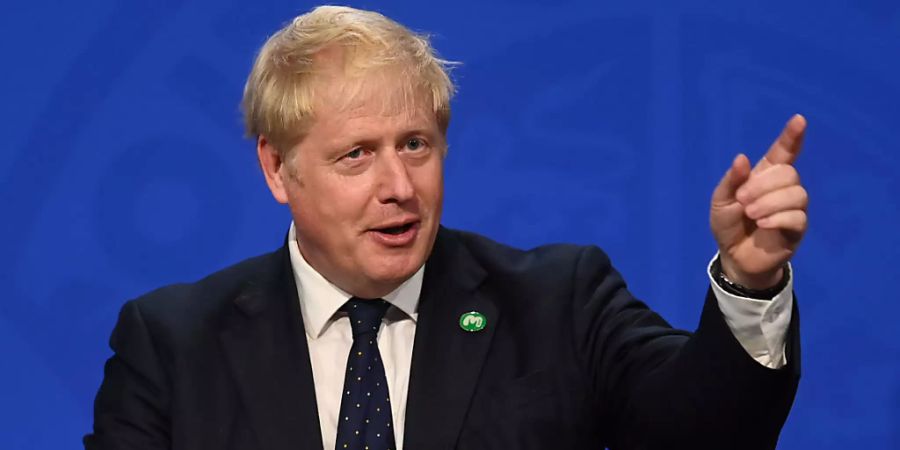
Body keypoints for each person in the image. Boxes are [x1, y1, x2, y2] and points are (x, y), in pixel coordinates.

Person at [85, 5, 808, 450]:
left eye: (416, 145)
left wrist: (749, 283)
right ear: (277, 170)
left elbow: (705, 437)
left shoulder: (559, 303)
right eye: (356, 155)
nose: (399, 188)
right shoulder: (174, 344)